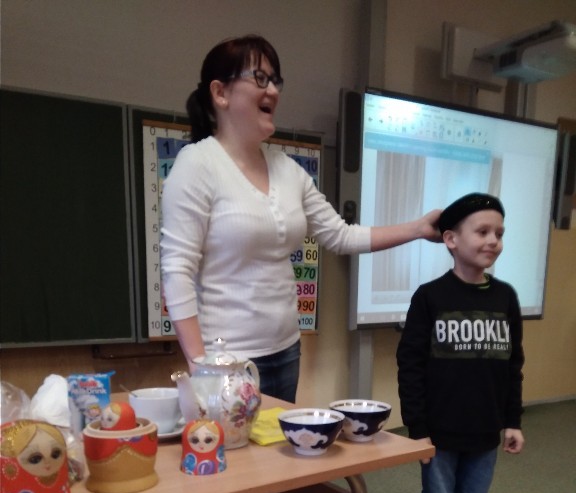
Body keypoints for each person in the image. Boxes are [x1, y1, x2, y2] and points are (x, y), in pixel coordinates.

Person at [160, 34, 441, 405]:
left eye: (276, 81)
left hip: (286, 351)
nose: (273, 91)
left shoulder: (288, 170)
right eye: (260, 78)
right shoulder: (197, 164)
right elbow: (176, 269)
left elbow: (341, 235)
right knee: (240, 446)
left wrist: (419, 228)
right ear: (220, 93)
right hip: (227, 362)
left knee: (279, 443)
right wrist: (201, 367)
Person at [396, 192, 525, 493]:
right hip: (439, 432)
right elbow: (410, 365)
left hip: (485, 432)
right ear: (451, 239)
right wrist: (417, 428)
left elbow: (513, 364)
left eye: (499, 233)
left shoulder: (506, 298)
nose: (493, 240)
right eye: (482, 231)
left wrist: (512, 421)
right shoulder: (430, 297)